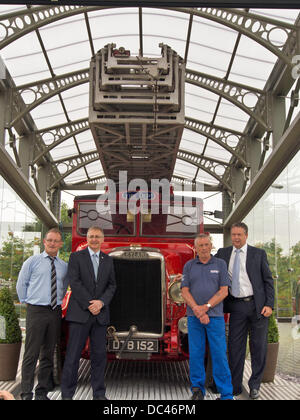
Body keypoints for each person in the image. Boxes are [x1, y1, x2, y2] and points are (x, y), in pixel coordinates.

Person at [215, 222, 274, 399]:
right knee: (235, 348)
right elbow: (207, 266)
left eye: (239, 235)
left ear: (246, 235)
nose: (236, 238)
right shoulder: (223, 253)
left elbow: (268, 281)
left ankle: (255, 385)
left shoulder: (258, 254)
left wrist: (269, 305)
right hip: (236, 307)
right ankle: (234, 387)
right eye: (233, 235)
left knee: (258, 347)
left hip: (258, 307)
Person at [61, 226, 116, 400]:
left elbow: (112, 285)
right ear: (87, 238)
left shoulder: (108, 260)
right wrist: (89, 304)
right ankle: (67, 395)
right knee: (73, 357)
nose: (94, 239)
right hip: (80, 314)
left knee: (99, 357)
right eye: (91, 236)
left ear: (102, 239)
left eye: (97, 237)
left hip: (100, 316)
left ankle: (99, 394)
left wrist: (101, 302)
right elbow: (74, 282)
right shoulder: (76, 257)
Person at [16, 228, 68, 400]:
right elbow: (21, 284)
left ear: (61, 244)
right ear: (45, 242)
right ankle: (26, 393)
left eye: (56, 241)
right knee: (31, 353)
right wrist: (26, 301)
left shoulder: (63, 266)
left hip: (54, 312)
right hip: (36, 310)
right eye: (50, 240)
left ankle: (41, 393)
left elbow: (65, 286)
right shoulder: (32, 261)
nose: (53, 243)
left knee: (48, 353)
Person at [180, 234, 233, 400]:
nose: (203, 248)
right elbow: (184, 291)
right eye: (200, 245)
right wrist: (197, 309)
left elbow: (224, 291)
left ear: (211, 246)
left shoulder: (220, 264)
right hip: (194, 317)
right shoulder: (189, 265)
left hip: (215, 317)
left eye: (206, 245)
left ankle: (226, 395)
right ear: (195, 248)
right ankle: (197, 391)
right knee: (196, 354)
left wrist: (206, 308)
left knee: (219, 355)